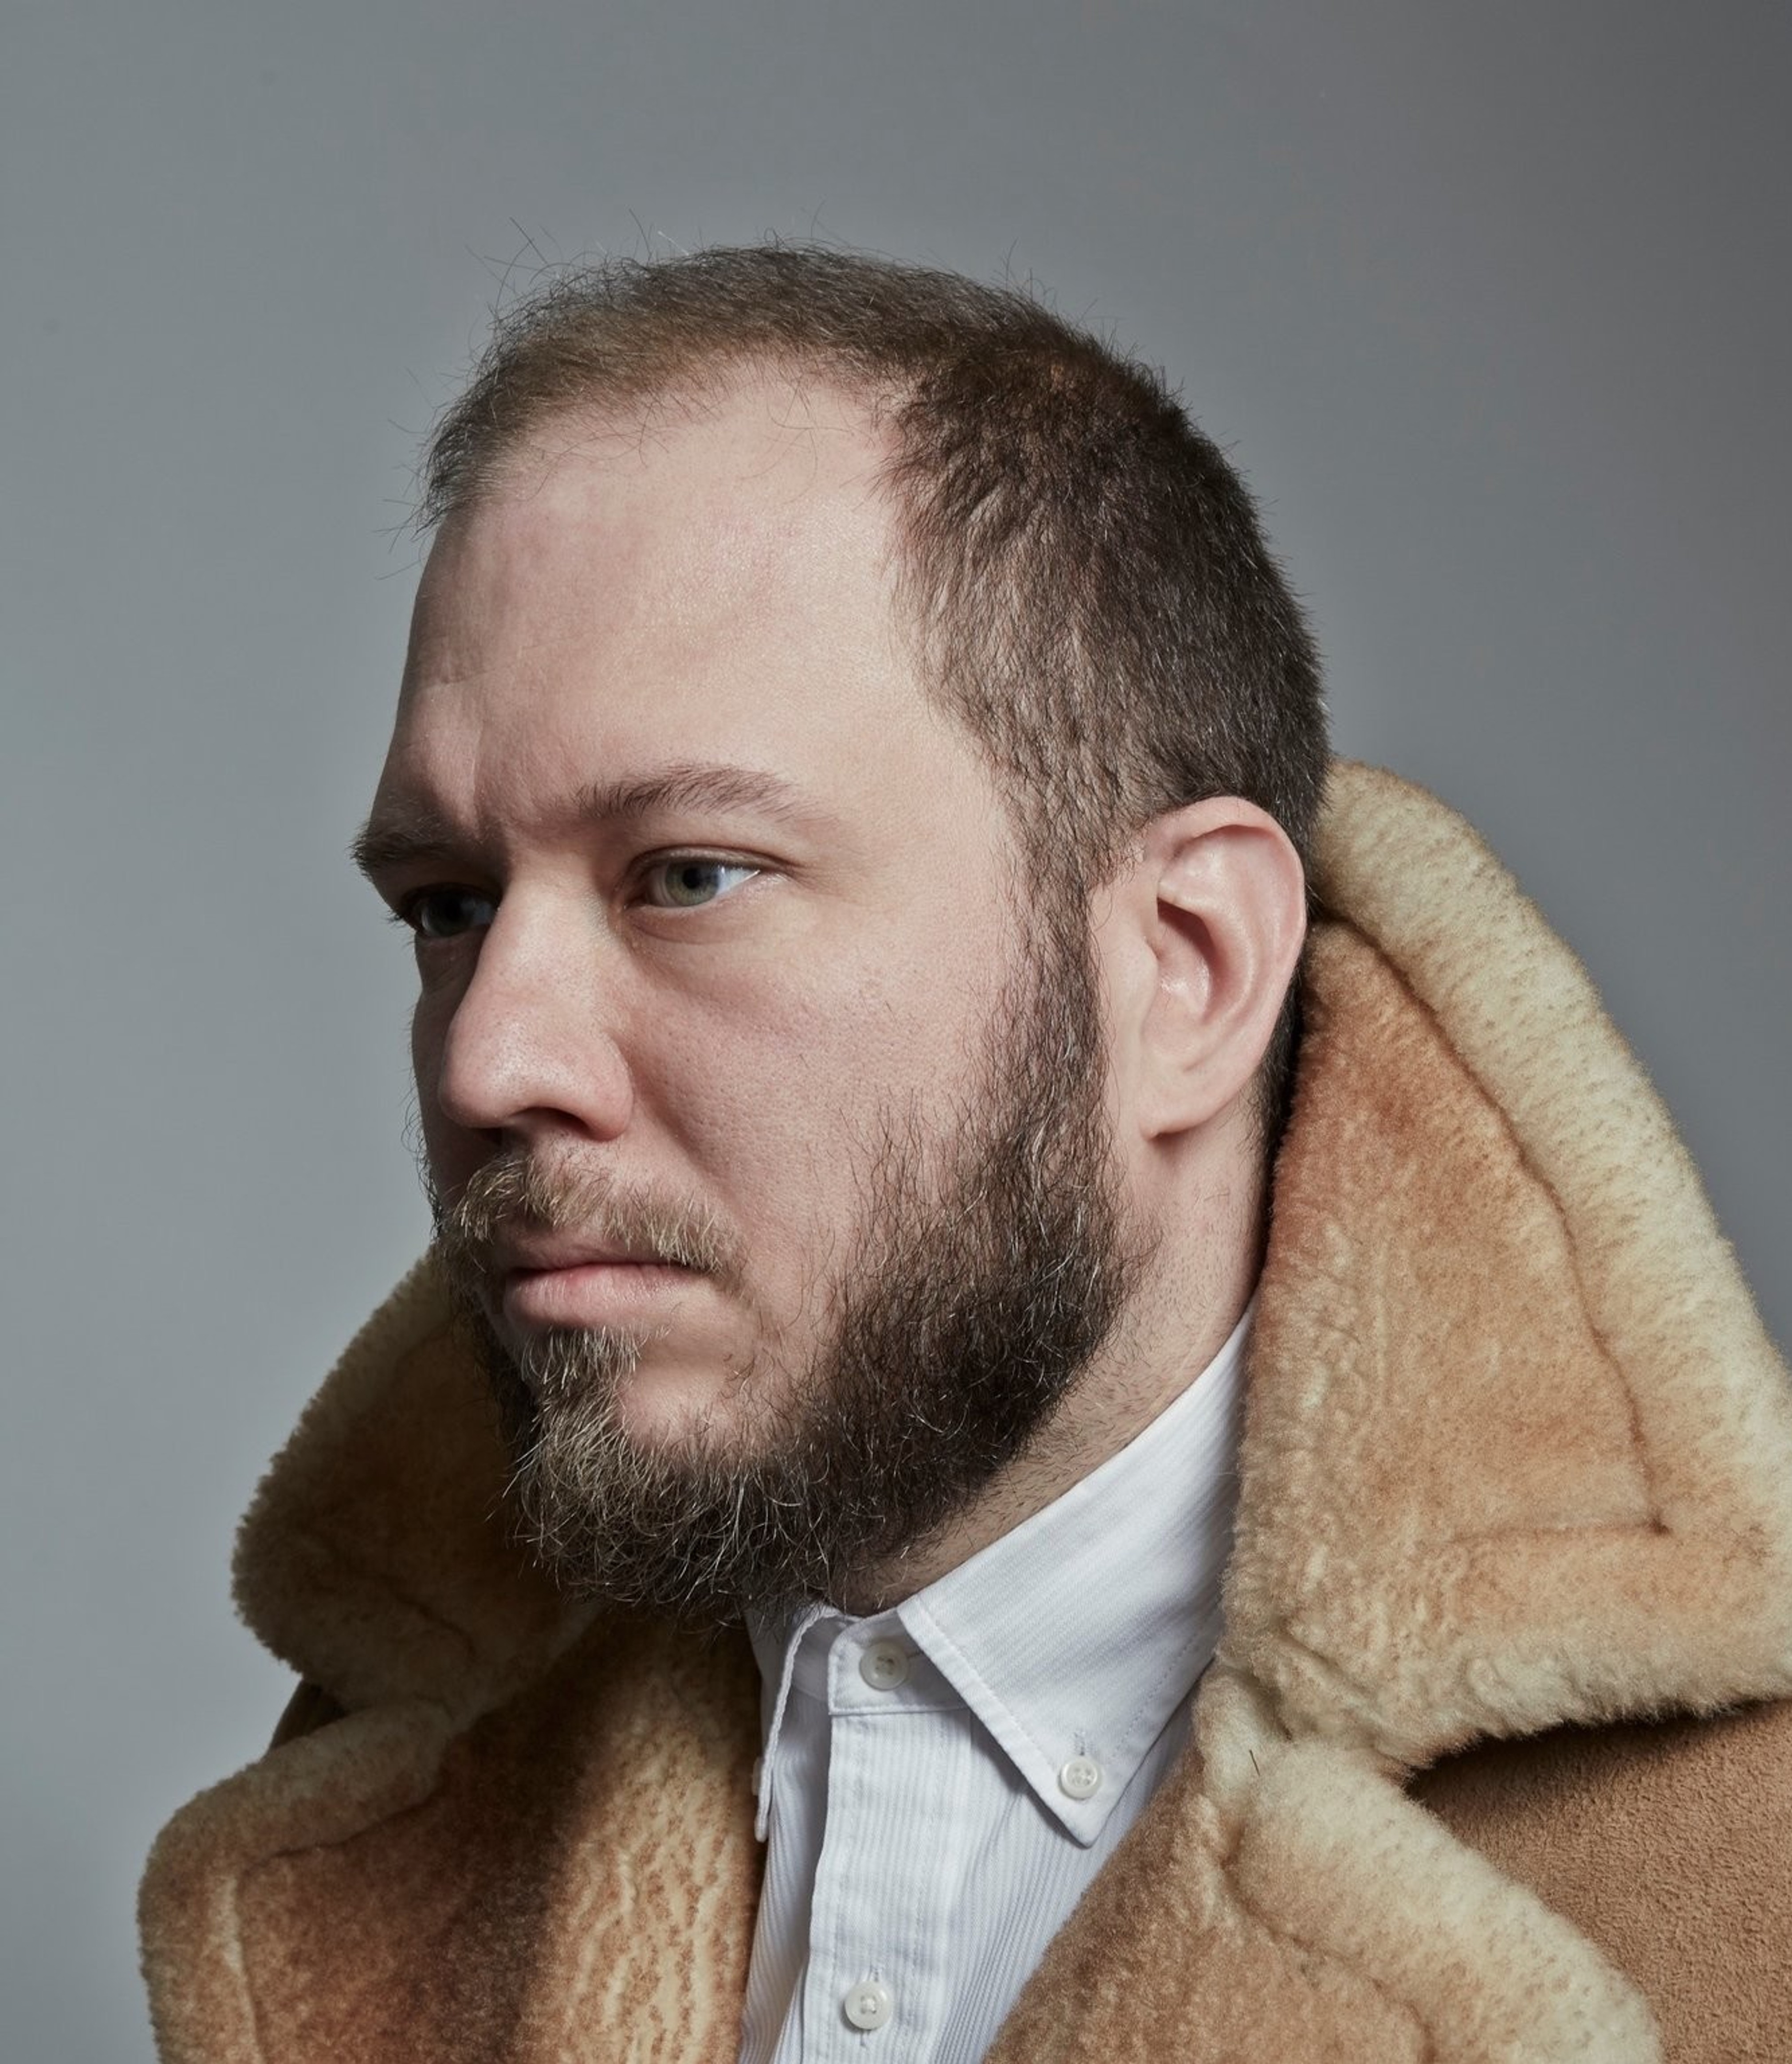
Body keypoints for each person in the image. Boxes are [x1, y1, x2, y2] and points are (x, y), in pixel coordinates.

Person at [139, 247, 1792, 2064]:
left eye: (690, 875)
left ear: (1183, 970)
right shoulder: (391, 1782)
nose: (488, 1056)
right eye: (448, 905)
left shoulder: (1746, 1868)